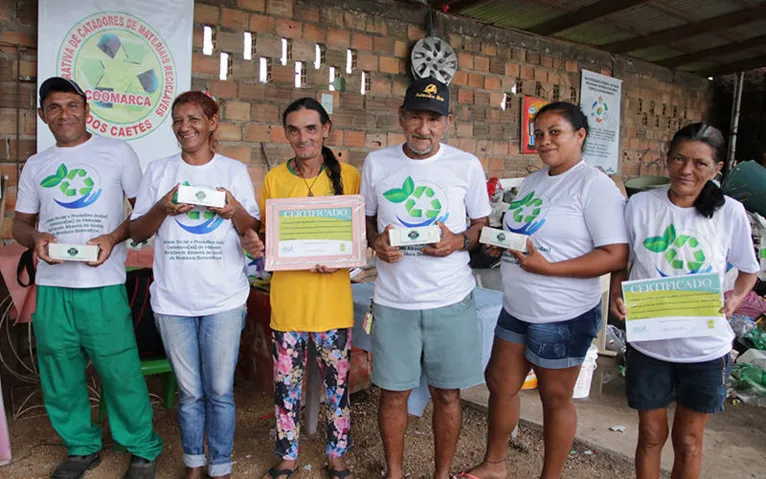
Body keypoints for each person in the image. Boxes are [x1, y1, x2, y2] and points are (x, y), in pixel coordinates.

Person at [464, 102, 629, 479]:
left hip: (563, 314)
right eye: (538, 133)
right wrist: (501, 243)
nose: (544, 140)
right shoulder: (537, 180)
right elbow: (526, 236)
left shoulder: (595, 185)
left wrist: (551, 268)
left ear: (580, 135)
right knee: (500, 383)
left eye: (555, 132)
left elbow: (615, 254)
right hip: (518, 306)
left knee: (555, 400)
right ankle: (495, 464)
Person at [13, 77, 162, 479]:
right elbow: (19, 225)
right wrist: (36, 239)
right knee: (59, 370)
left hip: (103, 285)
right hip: (53, 285)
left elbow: (143, 214)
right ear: (43, 116)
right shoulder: (37, 165)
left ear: (87, 109)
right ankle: (81, 446)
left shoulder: (117, 153)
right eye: (55, 107)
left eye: (72, 105)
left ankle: (142, 448)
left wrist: (113, 238)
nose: (65, 114)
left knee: (120, 370)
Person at [610, 123, 759, 479]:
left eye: (700, 163)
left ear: (717, 168)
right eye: (678, 158)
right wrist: (618, 291)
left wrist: (736, 296)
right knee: (649, 435)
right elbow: (621, 261)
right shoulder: (641, 205)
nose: (686, 170)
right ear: (667, 158)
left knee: (689, 441)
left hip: (705, 348)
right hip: (650, 344)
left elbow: (748, 270)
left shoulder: (731, 212)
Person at [361, 78, 491, 479]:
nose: (423, 129)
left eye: (433, 119)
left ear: (447, 122)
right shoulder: (377, 163)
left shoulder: (466, 165)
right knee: (393, 394)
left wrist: (458, 240)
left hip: (450, 300)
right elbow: (365, 221)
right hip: (393, 301)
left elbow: (481, 224)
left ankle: (442, 474)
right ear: (401, 118)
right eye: (415, 117)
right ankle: (395, 473)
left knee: (448, 395)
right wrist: (375, 243)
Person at [130, 91, 260, 479]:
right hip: (172, 301)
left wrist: (234, 209)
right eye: (177, 120)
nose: (184, 127)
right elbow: (137, 232)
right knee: (190, 394)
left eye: (193, 119)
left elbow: (252, 231)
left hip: (224, 298)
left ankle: (220, 466)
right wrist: (163, 207)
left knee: (220, 392)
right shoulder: (159, 171)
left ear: (212, 122)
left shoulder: (232, 171)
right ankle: (193, 463)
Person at [244, 97, 359, 479]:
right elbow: (267, 237)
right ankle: (288, 455)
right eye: (293, 129)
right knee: (286, 386)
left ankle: (337, 454)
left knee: (337, 386)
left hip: (333, 303)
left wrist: (344, 259)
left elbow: (357, 241)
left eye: (311, 128)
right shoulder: (275, 179)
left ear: (327, 128)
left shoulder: (350, 175)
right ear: (286, 134)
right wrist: (258, 245)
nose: (302, 137)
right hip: (289, 303)